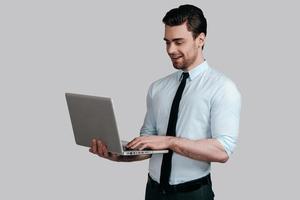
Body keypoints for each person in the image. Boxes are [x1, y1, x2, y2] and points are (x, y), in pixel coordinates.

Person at [89, 4, 241, 200]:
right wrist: (118, 155)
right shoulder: (158, 88)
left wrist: (169, 141)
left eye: (179, 42)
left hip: (193, 194)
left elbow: (222, 151)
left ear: (200, 40)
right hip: (153, 192)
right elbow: (150, 146)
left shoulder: (222, 87)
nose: (171, 49)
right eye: (167, 42)